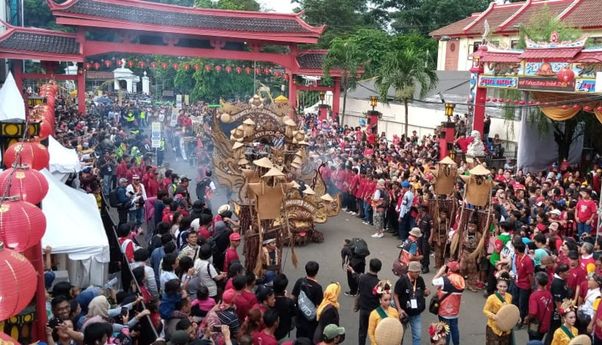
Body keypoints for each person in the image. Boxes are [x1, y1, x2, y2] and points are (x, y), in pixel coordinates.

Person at [394, 261, 428, 345]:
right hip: (404, 313)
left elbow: (423, 291)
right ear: (410, 271)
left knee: (417, 336)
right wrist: (399, 309)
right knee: (400, 336)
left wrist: (426, 292)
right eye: (416, 272)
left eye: (419, 271)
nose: (418, 273)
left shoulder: (420, 279)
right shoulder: (402, 281)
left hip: (416, 313)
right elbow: (395, 295)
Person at [431, 261, 465, 345]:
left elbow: (433, 282)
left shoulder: (444, 280)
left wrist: (440, 272)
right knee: (455, 329)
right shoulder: (461, 280)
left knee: (446, 331)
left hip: (444, 310)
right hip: (455, 311)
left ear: (449, 269)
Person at [292, 261, 323, 339]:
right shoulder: (318, 287)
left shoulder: (300, 281)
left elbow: (293, 297)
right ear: (317, 272)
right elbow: (319, 306)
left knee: (299, 338)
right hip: (311, 321)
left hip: (300, 316)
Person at [354, 258, 382, 345]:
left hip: (363, 309)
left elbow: (356, 277)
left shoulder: (362, 278)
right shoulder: (379, 283)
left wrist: (352, 271)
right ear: (379, 269)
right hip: (375, 311)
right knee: (375, 331)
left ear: (369, 266)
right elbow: (381, 296)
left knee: (362, 332)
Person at [483, 272, 513, 345]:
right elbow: (485, 310)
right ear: (497, 286)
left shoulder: (509, 296)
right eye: (500, 286)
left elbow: (511, 309)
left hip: (505, 326)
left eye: (504, 286)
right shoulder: (491, 298)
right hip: (494, 326)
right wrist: (494, 316)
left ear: (507, 287)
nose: (502, 288)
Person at [524, 272, 553, 341]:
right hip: (545, 325)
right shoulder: (549, 294)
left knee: (533, 342)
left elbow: (533, 312)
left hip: (536, 325)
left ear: (537, 281)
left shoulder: (534, 295)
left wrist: (527, 318)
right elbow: (551, 309)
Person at [273, 274, 296, 341]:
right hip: (283, 332)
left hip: (271, 330)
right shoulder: (288, 302)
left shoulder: (269, 298)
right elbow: (294, 313)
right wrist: (287, 298)